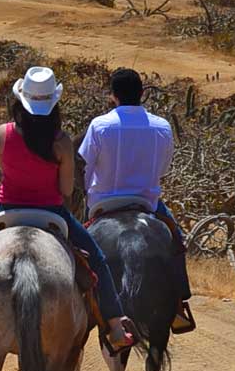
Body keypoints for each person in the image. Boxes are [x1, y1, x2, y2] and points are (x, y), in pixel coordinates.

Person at [0, 66, 138, 350]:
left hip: (7, 208)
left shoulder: (3, 134)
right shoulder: (61, 143)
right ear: (53, 105)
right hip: (51, 212)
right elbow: (65, 190)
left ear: (21, 101)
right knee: (97, 259)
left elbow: (6, 169)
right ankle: (114, 324)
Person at [78, 68, 197, 334]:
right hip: (147, 203)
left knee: (74, 245)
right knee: (176, 241)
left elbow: (85, 167)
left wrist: (87, 194)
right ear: (142, 94)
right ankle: (179, 301)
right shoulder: (162, 126)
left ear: (113, 96)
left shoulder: (100, 125)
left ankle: (76, 301)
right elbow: (164, 168)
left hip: (102, 203)